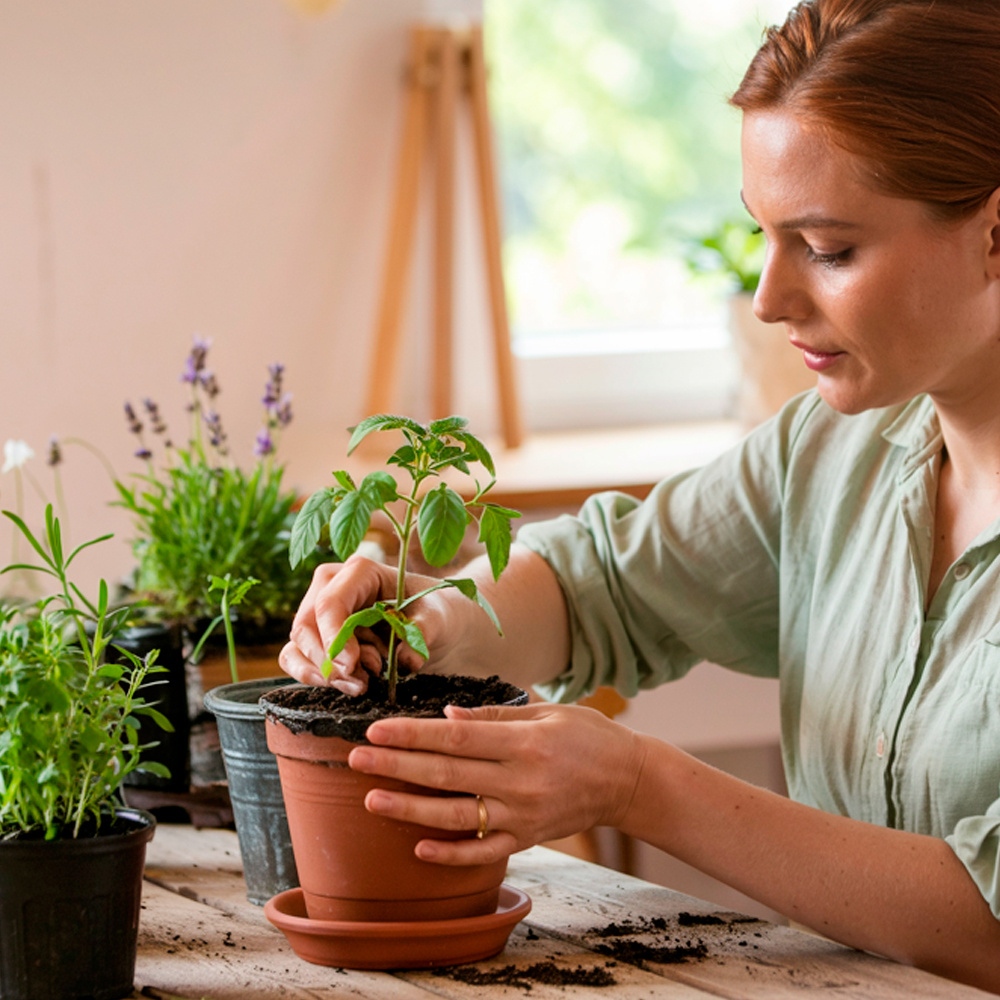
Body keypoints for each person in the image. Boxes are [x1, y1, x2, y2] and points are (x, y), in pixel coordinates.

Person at [279, 0, 1000, 990]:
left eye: (827, 247)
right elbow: (606, 588)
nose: (767, 297)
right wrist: (425, 622)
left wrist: (637, 780)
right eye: (763, 234)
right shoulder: (833, 451)